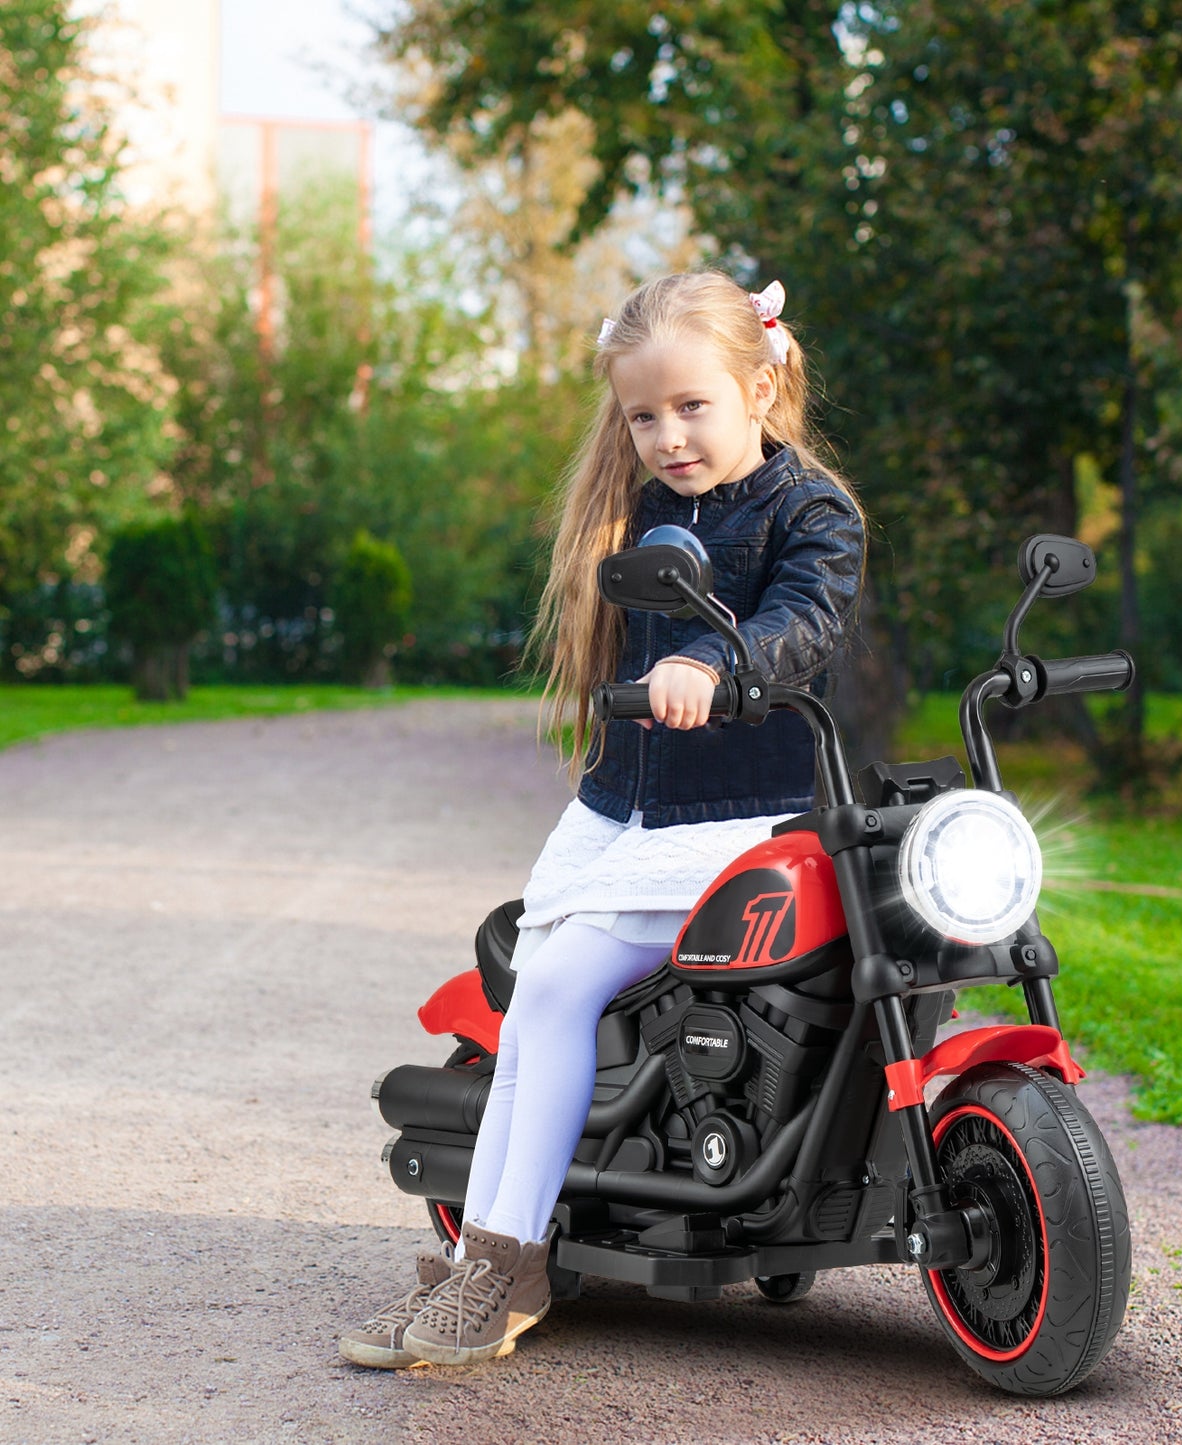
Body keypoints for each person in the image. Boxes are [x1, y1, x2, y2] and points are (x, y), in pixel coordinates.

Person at [339, 270, 866, 1370]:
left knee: (555, 995)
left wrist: (716, 660)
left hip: (738, 821)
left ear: (761, 386)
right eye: (642, 415)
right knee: (536, 1006)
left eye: (691, 406)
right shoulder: (644, 513)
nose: (666, 436)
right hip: (624, 813)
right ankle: (486, 1262)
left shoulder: (809, 511)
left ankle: (502, 1263)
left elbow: (804, 615)